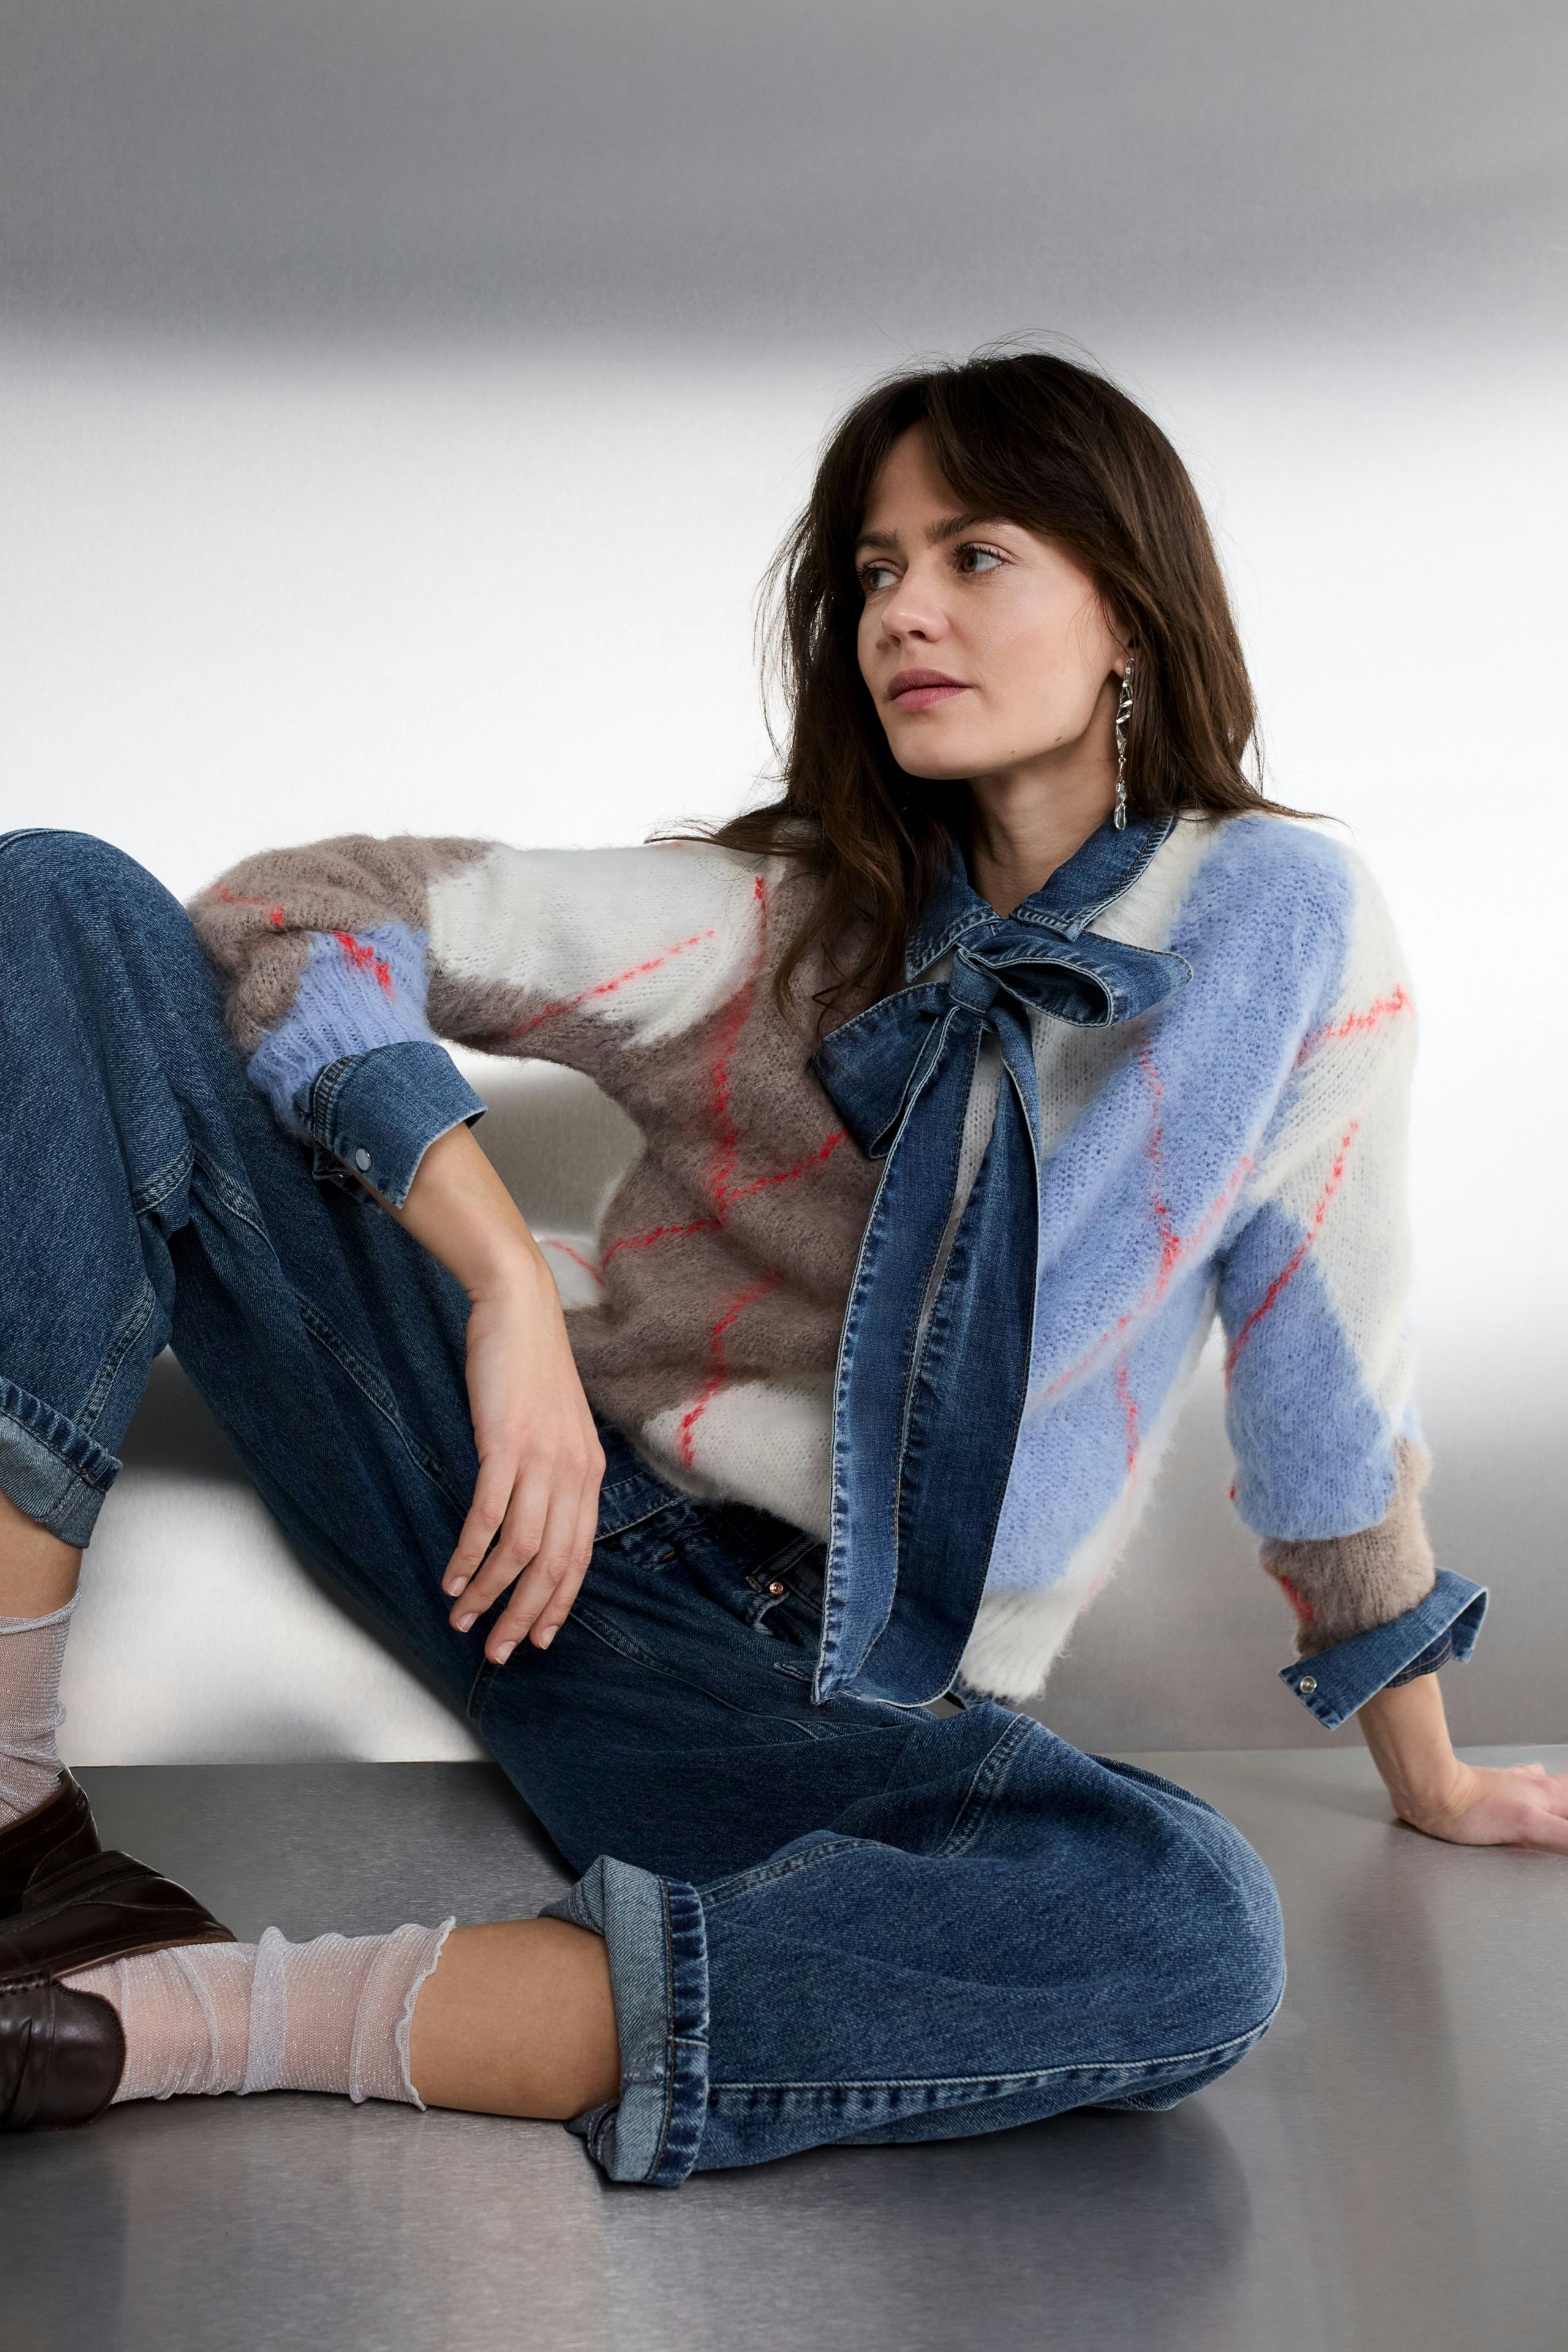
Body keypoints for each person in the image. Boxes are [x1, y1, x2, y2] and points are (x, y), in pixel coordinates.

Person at [3, 349, 1564, 2184]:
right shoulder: (789, 914)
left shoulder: (1277, 923)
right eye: (878, 571)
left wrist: (1427, 1771)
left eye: (975, 555)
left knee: (1187, 1926)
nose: (903, 611)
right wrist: (501, 1283)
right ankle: (12, 1829)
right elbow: (294, 914)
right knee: (63, 900)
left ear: (1130, 613)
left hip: (800, 1697)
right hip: (516, 1506)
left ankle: (145, 2024)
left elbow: (1323, 1367)